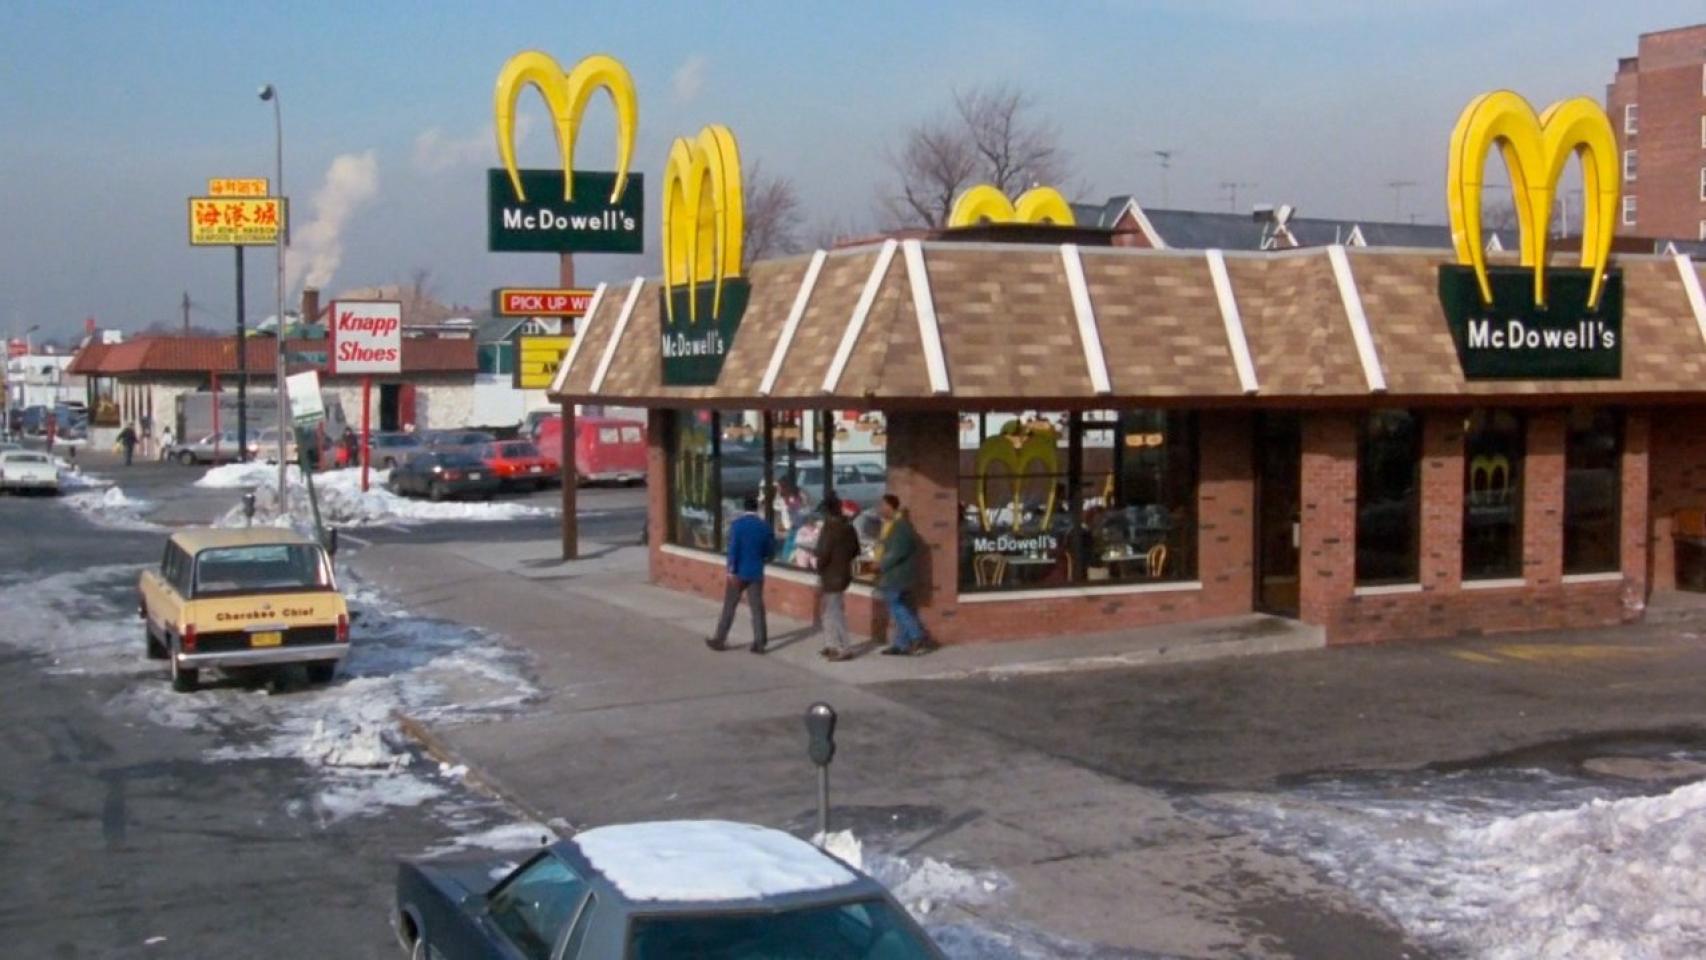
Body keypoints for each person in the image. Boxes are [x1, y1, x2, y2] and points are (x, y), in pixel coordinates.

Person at [707, 495, 773, 654]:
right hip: (756, 571)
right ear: (756, 508)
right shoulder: (764, 527)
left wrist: (731, 570)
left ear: (744, 508)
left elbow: (733, 549)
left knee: (729, 606)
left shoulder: (737, 526)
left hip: (738, 572)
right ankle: (760, 642)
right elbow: (770, 551)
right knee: (757, 608)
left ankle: (720, 639)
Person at [877, 493, 934, 656]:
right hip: (897, 575)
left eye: (882, 505)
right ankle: (901, 644)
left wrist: (879, 565)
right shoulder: (893, 525)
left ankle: (917, 635)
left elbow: (897, 552)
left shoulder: (900, 527)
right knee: (899, 607)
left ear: (890, 506)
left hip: (897, 575)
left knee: (897, 607)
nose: (880, 509)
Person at [814, 494, 861, 661]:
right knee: (829, 610)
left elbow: (823, 552)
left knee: (834, 611)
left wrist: (819, 565)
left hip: (830, 574)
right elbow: (856, 550)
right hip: (843, 573)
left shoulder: (830, 528)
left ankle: (844, 647)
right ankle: (831, 644)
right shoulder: (848, 527)